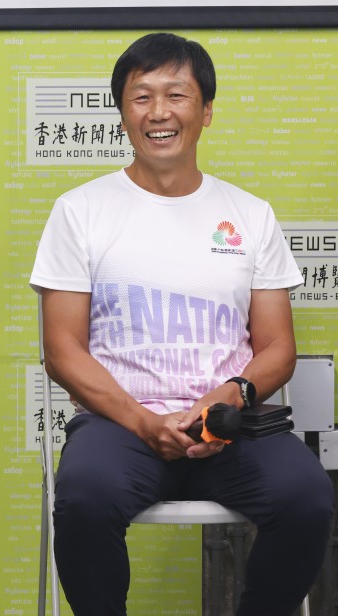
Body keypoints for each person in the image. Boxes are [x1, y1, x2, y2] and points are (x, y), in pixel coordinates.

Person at [30, 32, 334, 615]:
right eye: (141, 97)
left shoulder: (250, 214)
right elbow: (63, 351)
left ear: (206, 111)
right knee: (84, 498)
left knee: (306, 497)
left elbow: (276, 349)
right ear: (122, 114)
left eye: (177, 95)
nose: (159, 112)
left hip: (230, 422)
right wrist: (144, 423)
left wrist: (230, 396)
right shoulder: (80, 211)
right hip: (119, 424)